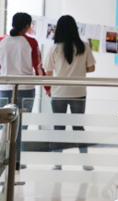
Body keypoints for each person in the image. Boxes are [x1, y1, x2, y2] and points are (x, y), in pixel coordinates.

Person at [44, 15, 96, 171]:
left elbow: (48, 72)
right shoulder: (84, 46)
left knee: (59, 128)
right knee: (78, 128)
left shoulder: (54, 48)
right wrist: (79, 69)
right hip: (78, 92)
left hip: (59, 92)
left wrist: (49, 89)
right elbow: (91, 68)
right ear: (75, 29)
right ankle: (85, 162)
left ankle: (58, 163)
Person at [0, 12, 49, 170]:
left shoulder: (2, 41)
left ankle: (3, 158)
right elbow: (38, 67)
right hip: (26, 89)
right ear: (27, 26)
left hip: (5, 88)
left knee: (3, 125)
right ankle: (16, 160)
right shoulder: (31, 42)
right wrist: (47, 87)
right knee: (21, 126)